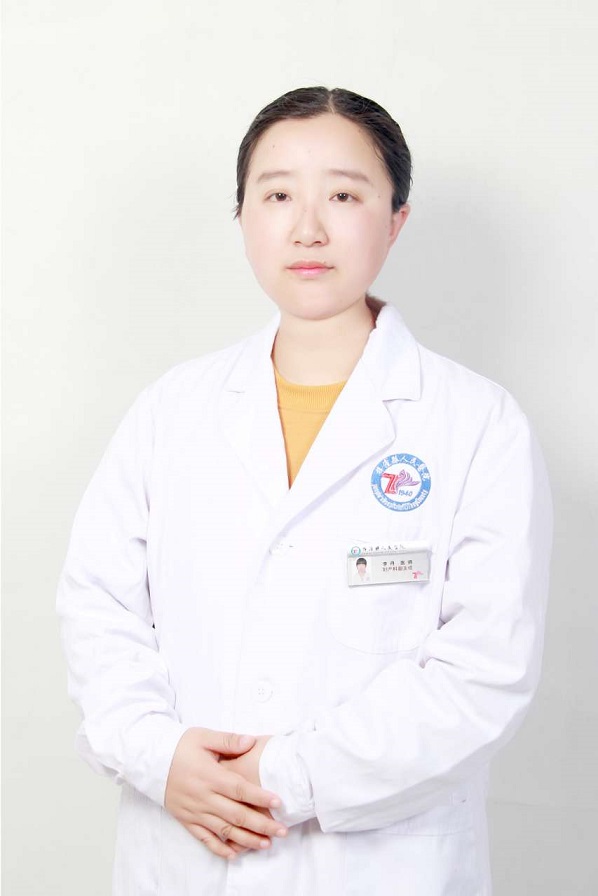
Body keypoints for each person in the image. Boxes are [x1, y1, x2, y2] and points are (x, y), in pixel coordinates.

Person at [57, 86, 552, 895]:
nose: (308, 228)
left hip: (381, 869)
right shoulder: (171, 412)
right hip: (183, 859)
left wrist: (283, 776)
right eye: (278, 195)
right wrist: (161, 755)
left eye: (345, 196)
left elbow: (483, 673)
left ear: (396, 220)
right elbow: (97, 607)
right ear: (243, 216)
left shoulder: (476, 424)